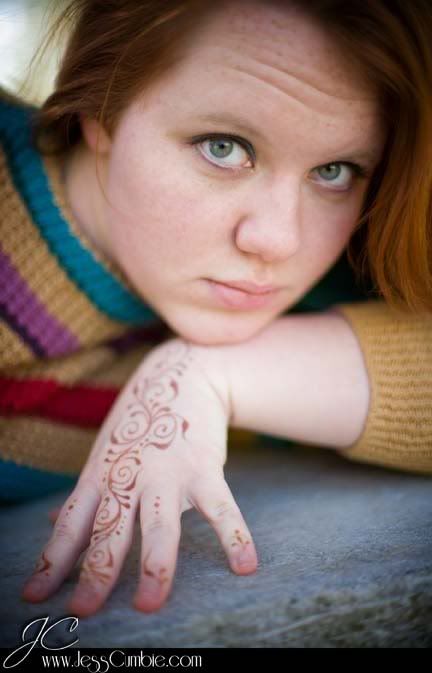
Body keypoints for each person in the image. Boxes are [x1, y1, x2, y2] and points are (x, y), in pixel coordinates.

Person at [0, 0, 430, 616]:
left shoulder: (329, 277)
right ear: (103, 106)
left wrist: (208, 373)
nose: (278, 240)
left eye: (334, 171)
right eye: (224, 148)